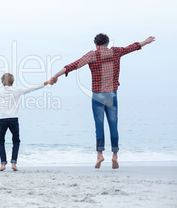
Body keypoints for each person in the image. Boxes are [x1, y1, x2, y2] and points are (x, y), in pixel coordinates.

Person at [51, 33, 155, 169]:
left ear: (96, 44)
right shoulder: (116, 51)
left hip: (97, 95)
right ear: (107, 43)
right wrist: (146, 42)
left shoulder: (91, 55)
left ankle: (99, 155)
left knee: (99, 125)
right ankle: (115, 155)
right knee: (113, 125)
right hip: (111, 95)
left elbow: (73, 65)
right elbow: (132, 47)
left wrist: (56, 75)